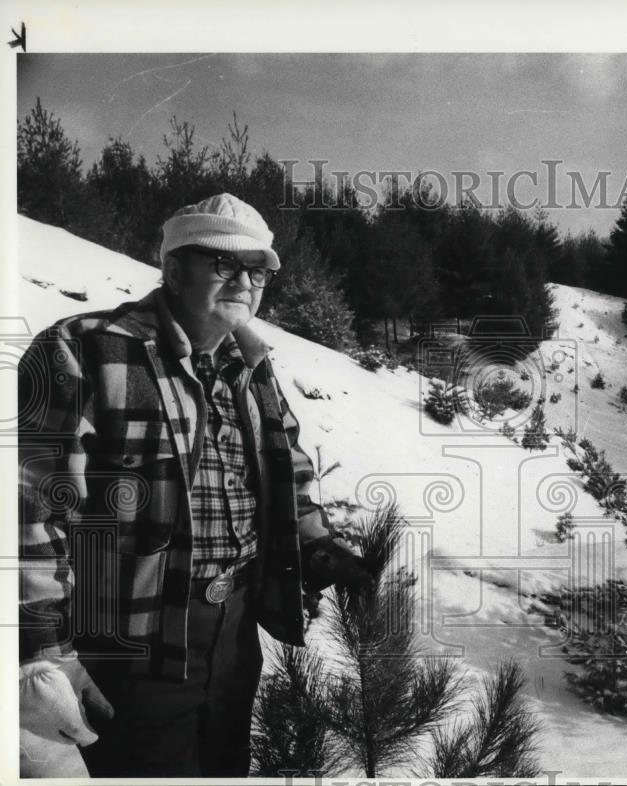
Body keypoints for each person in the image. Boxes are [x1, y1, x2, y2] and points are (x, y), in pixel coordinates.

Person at [18, 193, 372, 777]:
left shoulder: (253, 365)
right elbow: (25, 504)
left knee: (223, 764)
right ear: (174, 269)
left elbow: (291, 471)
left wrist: (317, 543)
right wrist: (41, 655)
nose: (245, 281)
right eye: (224, 263)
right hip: (130, 639)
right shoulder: (85, 348)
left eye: (257, 270)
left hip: (234, 631)